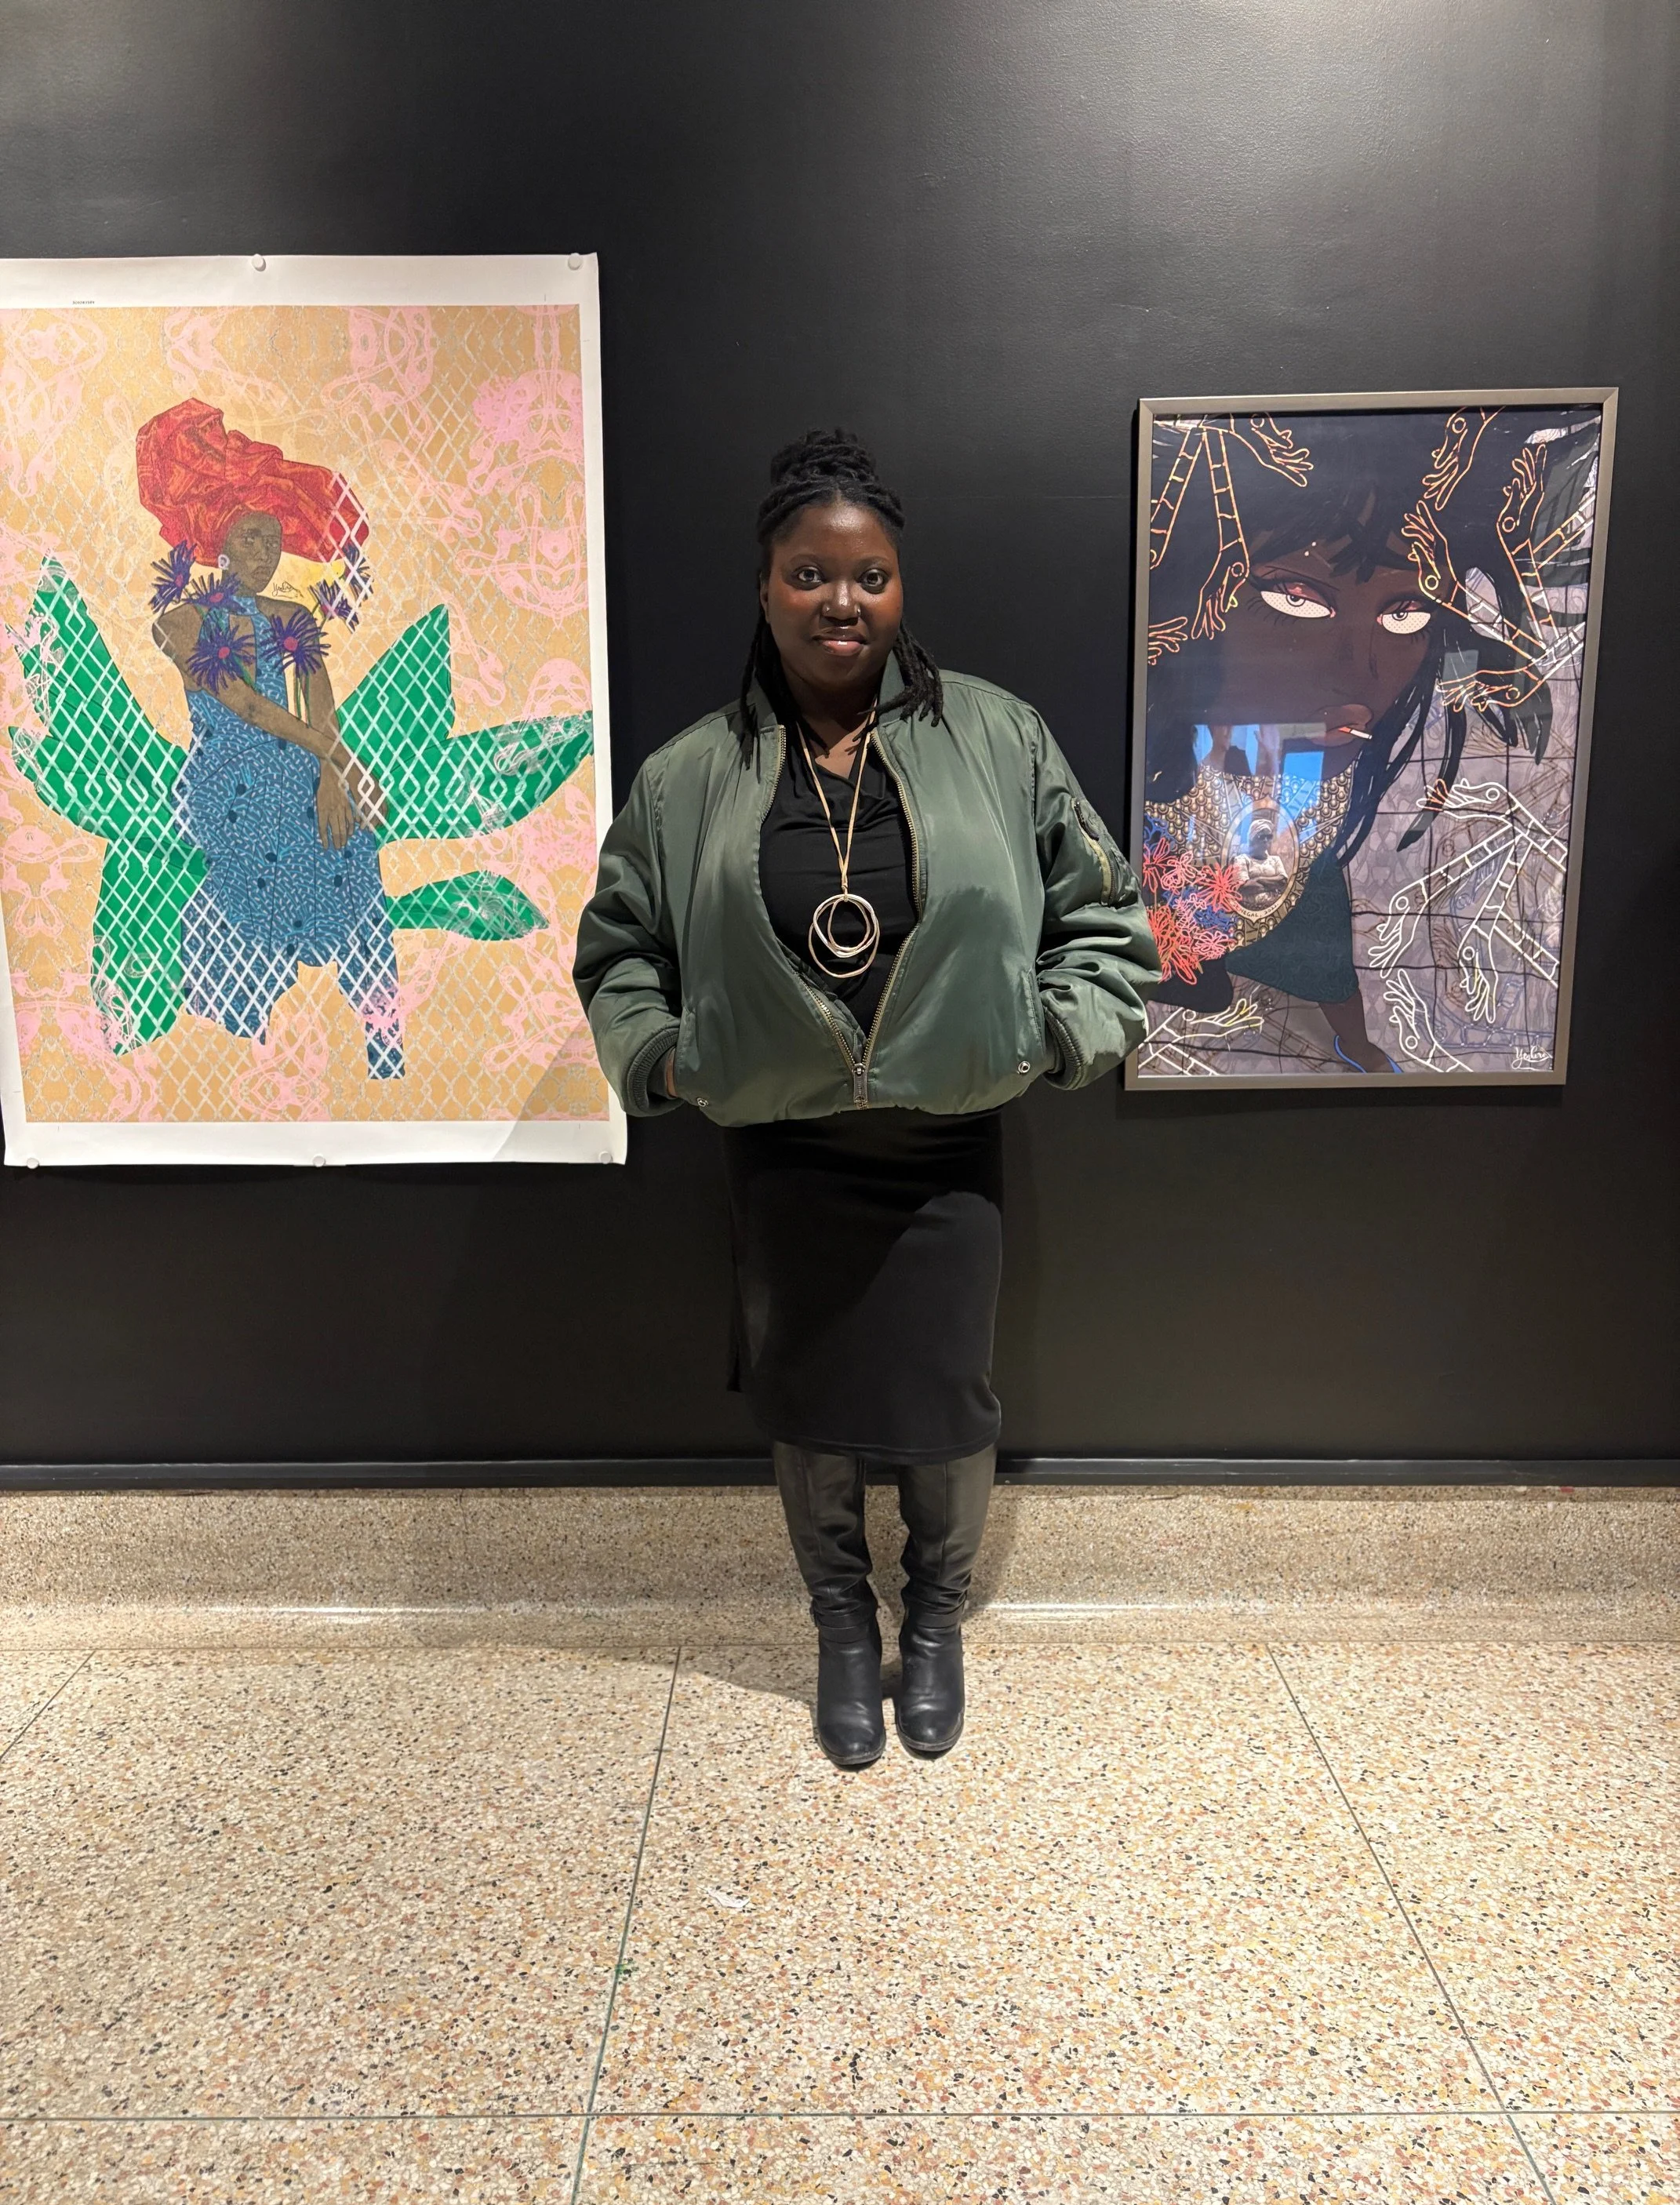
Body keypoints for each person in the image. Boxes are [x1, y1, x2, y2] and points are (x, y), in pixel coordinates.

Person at [575, 431, 1158, 1768]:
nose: (844, 601)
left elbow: (1106, 919)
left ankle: (933, 1619)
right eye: (811, 573)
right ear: (766, 590)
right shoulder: (686, 777)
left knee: (946, 1397)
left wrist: (1050, 1034)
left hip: (944, 1140)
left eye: (872, 574)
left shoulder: (996, 735)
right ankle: (842, 1623)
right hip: (782, 1147)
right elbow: (617, 954)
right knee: (807, 1396)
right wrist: (664, 1059)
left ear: (901, 588)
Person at [1141, 408, 1600, 1072]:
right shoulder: (1171, 725)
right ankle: (1198, 967)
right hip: (1201, 831)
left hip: (1296, 839)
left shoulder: (1324, 788)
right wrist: (1298, 734)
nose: (1359, 667)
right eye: (1296, 599)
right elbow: (1202, 748)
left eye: (1405, 611)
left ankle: (1351, 1042)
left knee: (1318, 929)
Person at [137, 398, 404, 1078]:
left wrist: (331, 777)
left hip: (301, 771)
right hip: (231, 783)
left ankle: (383, 1040)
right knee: (248, 906)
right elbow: (246, 707)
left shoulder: (292, 612)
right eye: (250, 539)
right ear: (220, 544)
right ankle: (244, 1067)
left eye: (272, 538)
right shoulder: (181, 624)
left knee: (354, 858)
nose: (265, 552)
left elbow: (319, 693)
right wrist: (337, 758)